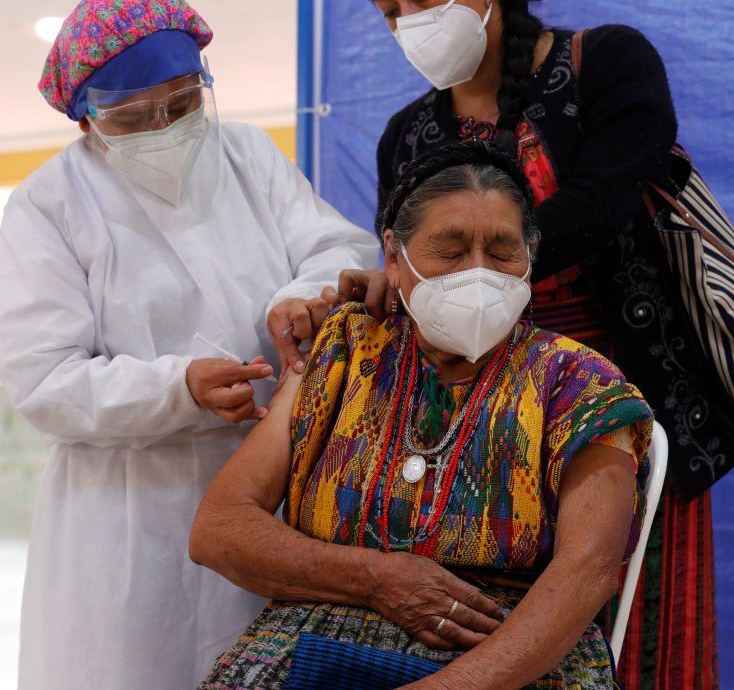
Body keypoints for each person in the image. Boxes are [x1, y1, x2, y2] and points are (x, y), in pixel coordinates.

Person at [337, 2, 734, 685]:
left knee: (630, 624)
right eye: (390, 10)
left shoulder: (607, 65)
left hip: (627, 411)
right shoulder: (404, 137)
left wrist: (465, 265)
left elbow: (597, 204)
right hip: (478, 437)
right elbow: (413, 272)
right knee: (489, 633)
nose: (409, 19)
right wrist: (389, 282)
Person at [0, 2, 379, 688]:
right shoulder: (49, 204)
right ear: (85, 119)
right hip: (131, 510)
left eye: (181, 104)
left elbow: (337, 245)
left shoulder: (247, 154)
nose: (164, 131)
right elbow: (44, 379)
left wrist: (305, 296)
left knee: (264, 666)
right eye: (133, 120)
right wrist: (176, 387)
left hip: (269, 481)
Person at [191, 142, 654, 690]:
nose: (478, 274)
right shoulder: (344, 349)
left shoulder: (579, 383)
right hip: (317, 632)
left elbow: (589, 571)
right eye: (450, 250)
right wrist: (374, 579)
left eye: (503, 251)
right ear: (392, 256)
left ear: (531, 256)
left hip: (511, 656)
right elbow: (219, 530)